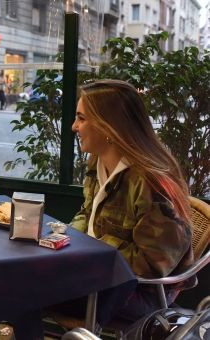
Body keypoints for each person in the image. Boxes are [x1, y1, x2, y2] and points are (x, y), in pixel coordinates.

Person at [69, 79, 193, 322]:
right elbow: (87, 214)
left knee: (21, 292)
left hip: (140, 292)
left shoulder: (152, 182)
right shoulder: (98, 161)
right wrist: (64, 242)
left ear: (109, 126)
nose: (74, 126)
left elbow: (151, 264)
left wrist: (89, 251)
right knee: (18, 284)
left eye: (82, 118)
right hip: (99, 275)